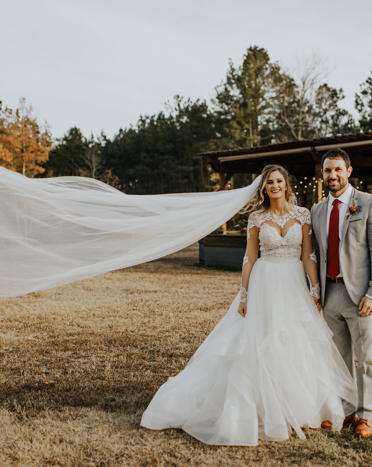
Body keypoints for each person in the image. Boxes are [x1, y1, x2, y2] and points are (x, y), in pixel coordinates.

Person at [140, 164, 357, 446]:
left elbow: (308, 256)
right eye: (269, 183)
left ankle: (301, 407)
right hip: (264, 283)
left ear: (286, 184)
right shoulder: (256, 219)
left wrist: (314, 290)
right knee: (258, 342)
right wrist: (244, 296)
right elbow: (250, 259)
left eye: (279, 180)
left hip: (292, 283)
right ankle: (260, 407)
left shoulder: (302, 214)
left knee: (294, 342)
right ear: (264, 188)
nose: (274, 186)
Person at [310, 149, 372, 438]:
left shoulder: (370, 204)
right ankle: (346, 409)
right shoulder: (317, 210)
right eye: (327, 171)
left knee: (366, 357)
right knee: (339, 358)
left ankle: (367, 415)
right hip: (329, 294)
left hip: (360, 296)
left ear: (348, 170)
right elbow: (317, 253)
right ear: (322, 174)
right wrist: (315, 292)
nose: (332, 175)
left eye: (337, 169)